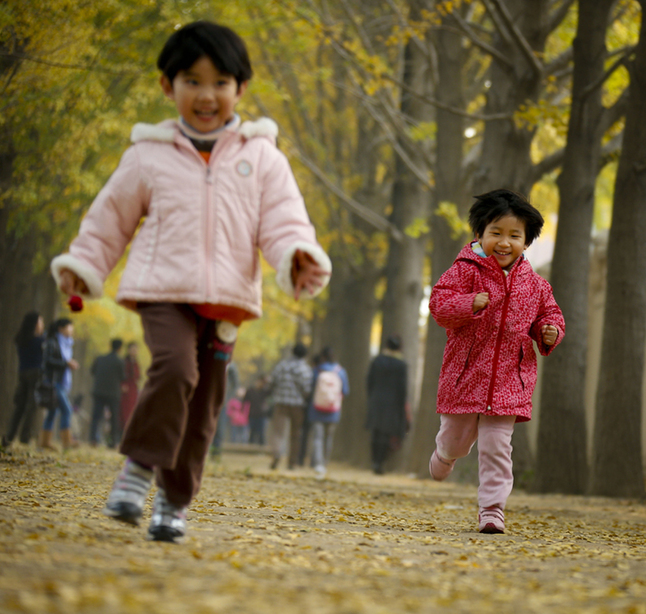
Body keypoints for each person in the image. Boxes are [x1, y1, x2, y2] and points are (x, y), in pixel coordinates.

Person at [50, 21, 331, 543]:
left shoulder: (262, 157)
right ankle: (137, 471)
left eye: (221, 82)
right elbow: (109, 218)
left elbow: (284, 220)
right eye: (192, 81)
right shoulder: (147, 155)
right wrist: (84, 262)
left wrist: (294, 255)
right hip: (163, 290)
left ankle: (174, 504)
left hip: (227, 300)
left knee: (204, 405)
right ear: (167, 86)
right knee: (176, 369)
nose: (207, 95)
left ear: (240, 89)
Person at [428, 189, 564, 534]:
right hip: (466, 373)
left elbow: (550, 317)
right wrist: (470, 303)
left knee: (495, 445)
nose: (504, 243)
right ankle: (445, 453)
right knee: (458, 438)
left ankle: (492, 509)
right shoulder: (463, 271)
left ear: (526, 241)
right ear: (480, 235)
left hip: (510, 378)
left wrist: (550, 332)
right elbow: (439, 305)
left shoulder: (535, 285)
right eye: (496, 234)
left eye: (514, 236)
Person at [366, 334, 410, 475]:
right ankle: (381, 462)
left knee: (376, 431)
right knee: (388, 433)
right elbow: (403, 387)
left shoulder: (377, 361)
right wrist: (403, 404)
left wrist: (371, 396)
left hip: (376, 400)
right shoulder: (402, 365)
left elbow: (369, 381)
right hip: (393, 403)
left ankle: (374, 460)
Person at [267, 343, 313, 470]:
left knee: (278, 432)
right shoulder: (305, 369)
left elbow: (272, 382)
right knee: (296, 433)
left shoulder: (282, 365)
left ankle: (276, 454)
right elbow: (307, 389)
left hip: (280, 403)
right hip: (297, 406)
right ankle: (292, 462)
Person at [3, 312, 45, 447]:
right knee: (31, 406)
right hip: (36, 374)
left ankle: (10, 434)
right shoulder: (40, 341)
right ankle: (25, 437)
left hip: (22, 373)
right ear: (35, 324)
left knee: (20, 406)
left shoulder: (20, 339)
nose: (42, 325)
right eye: (40, 322)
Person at [309, 347, 349, 479]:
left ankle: (318, 464)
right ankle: (325, 462)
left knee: (318, 438)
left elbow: (311, 387)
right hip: (334, 410)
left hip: (317, 409)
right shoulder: (341, 371)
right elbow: (345, 391)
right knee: (329, 437)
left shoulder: (317, 370)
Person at [40, 318, 80, 451]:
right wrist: (66, 364)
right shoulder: (52, 342)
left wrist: (68, 364)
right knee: (67, 410)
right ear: (61, 329)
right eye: (69, 327)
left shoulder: (67, 344)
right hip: (53, 382)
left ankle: (45, 442)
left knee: (52, 412)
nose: (72, 330)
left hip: (62, 383)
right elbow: (47, 361)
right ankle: (67, 441)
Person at [90, 338, 126, 447]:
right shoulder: (119, 361)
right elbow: (123, 377)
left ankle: (93, 439)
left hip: (99, 391)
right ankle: (112, 442)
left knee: (96, 416)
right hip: (113, 393)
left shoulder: (100, 358)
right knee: (114, 418)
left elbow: (92, 371)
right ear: (119, 348)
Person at [120, 342, 141, 431]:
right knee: (124, 411)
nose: (134, 351)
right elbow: (121, 375)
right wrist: (122, 385)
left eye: (136, 349)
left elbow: (137, 376)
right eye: (132, 349)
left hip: (133, 389)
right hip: (125, 389)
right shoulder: (124, 362)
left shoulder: (136, 363)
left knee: (132, 410)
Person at [245, 376, 270, 445]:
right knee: (252, 433)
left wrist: (268, 382)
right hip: (252, 415)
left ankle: (261, 447)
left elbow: (271, 391)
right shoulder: (250, 390)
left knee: (261, 433)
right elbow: (245, 401)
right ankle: (250, 447)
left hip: (261, 415)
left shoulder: (264, 391)